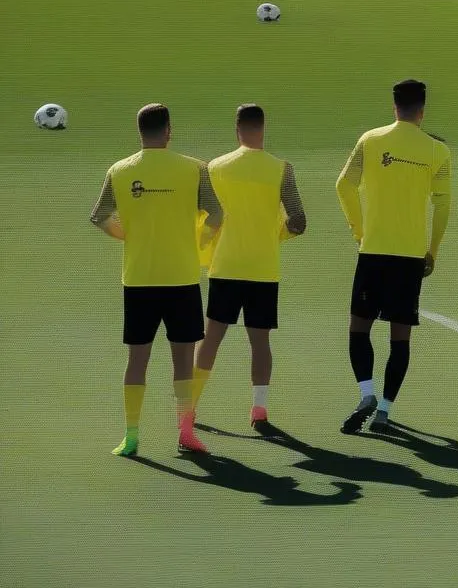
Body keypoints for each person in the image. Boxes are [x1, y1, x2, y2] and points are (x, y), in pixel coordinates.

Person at [90, 103, 222, 457]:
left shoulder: (119, 170)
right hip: (181, 278)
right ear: (168, 130)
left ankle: (131, 436)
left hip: (139, 280)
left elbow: (99, 216)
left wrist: (126, 235)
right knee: (182, 360)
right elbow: (217, 214)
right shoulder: (196, 169)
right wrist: (197, 242)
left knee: (137, 360)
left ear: (140, 132)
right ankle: (186, 434)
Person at [337, 80, 452, 434]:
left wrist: (359, 231)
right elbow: (443, 204)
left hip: (373, 252)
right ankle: (385, 411)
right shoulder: (437, 151)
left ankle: (366, 393)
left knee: (359, 328)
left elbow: (343, 185)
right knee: (400, 337)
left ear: (394, 107)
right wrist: (432, 250)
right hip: (409, 257)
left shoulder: (369, 141)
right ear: (423, 110)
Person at [192, 105, 307, 427]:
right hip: (263, 268)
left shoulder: (214, 168)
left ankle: (190, 408)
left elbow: (205, 217)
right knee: (260, 342)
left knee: (211, 338)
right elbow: (299, 221)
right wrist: (275, 236)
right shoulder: (282, 169)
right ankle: (259, 410)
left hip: (226, 265)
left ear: (237, 128)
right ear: (263, 128)